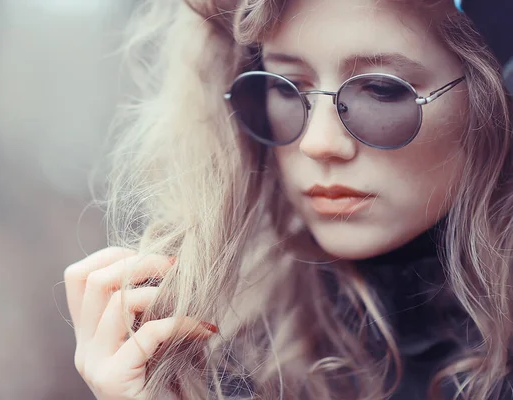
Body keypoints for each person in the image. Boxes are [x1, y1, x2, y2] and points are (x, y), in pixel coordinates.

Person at [63, 0, 513, 399]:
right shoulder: (227, 367)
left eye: (381, 88)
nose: (319, 144)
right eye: (284, 86)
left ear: (495, 96)